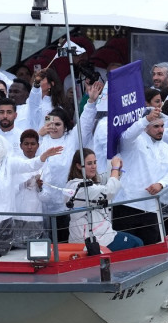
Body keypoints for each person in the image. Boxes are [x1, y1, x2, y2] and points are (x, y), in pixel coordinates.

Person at [37, 80, 103, 240]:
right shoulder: (40, 140)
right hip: (44, 203)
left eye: (57, 124)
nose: (52, 127)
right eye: (49, 123)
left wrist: (91, 102)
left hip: (68, 204)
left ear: (65, 126)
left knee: (69, 240)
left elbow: (85, 123)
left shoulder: (72, 138)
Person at [112, 107, 168, 244]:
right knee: (126, 251)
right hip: (127, 205)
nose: (161, 130)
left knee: (151, 250)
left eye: (162, 126)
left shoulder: (165, 147)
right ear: (145, 127)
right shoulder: (134, 142)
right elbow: (127, 136)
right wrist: (145, 120)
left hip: (151, 207)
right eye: (156, 126)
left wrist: (161, 184)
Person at [62, 150, 143, 251]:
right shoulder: (79, 187)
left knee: (135, 241)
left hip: (101, 234)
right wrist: (115, 168)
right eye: (89, 163)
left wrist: (117, 170)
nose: (94, 166)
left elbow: (104, 179)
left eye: (95, 162)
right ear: (78, 166)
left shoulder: (88, 183)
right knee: (137, 243)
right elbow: (109, 190)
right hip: (92, 240)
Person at [12, 129, 46, 246]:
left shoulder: (44, 165)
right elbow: (8, 189)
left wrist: (41, 187)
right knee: (16, 249)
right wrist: (23, 184)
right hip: (18, 212)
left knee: (33, 248)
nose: (29, 147)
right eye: (26, 144)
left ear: (38, 145)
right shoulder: (15, 164)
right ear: (21, 146)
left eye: (33, 144)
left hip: (36, 214)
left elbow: (47, 195)